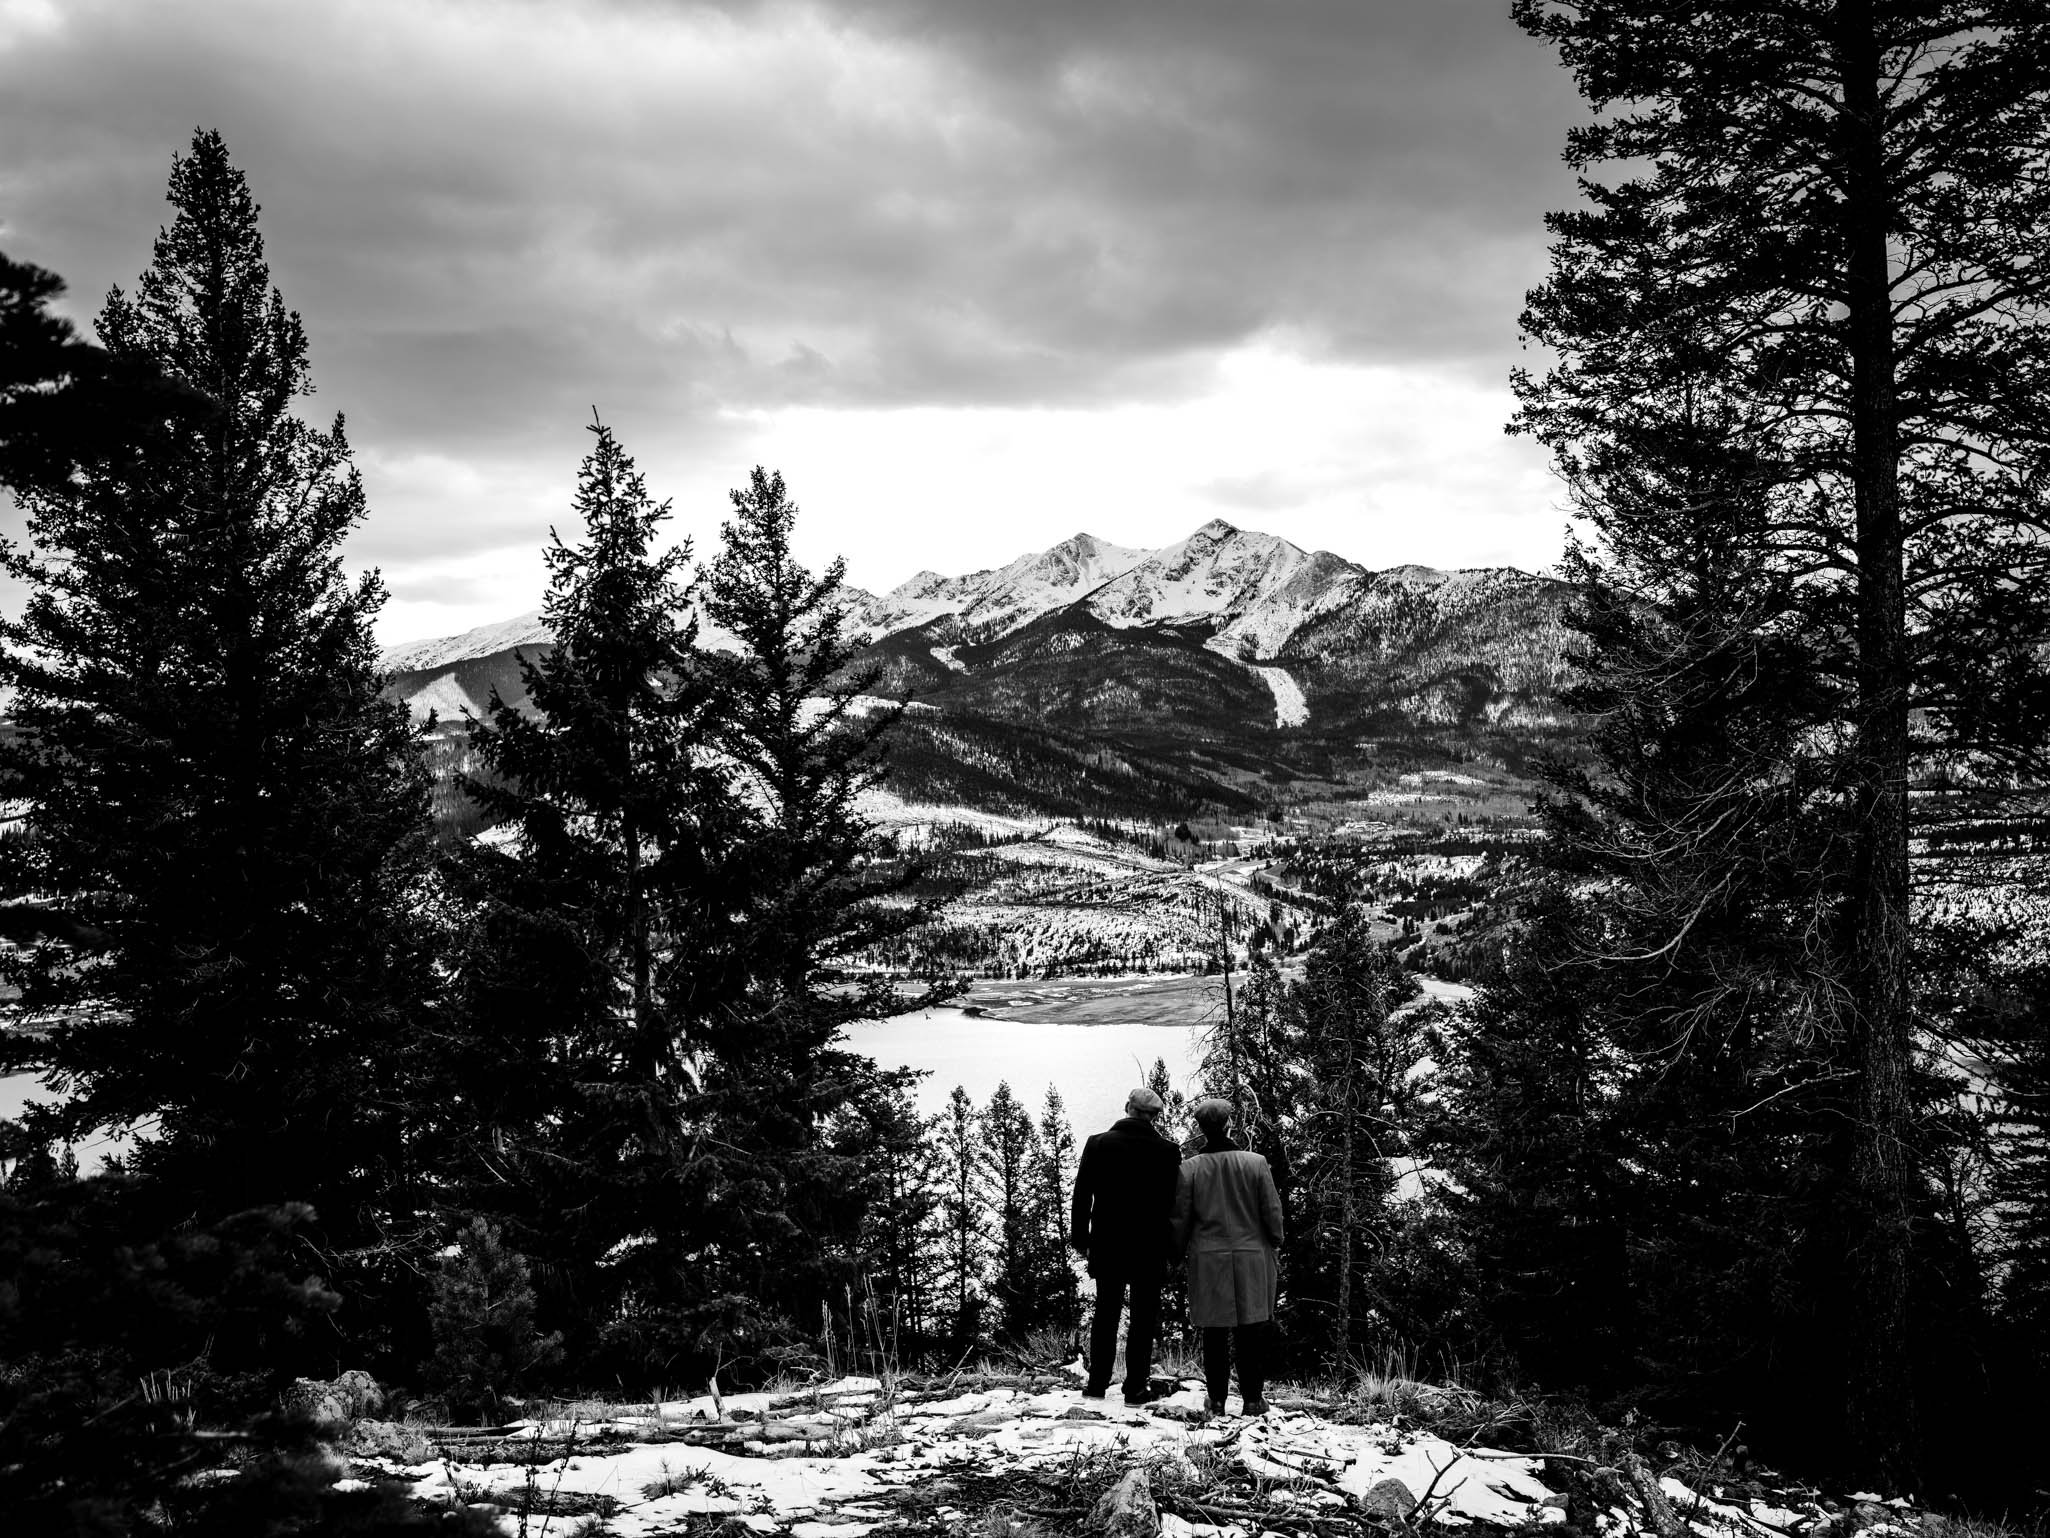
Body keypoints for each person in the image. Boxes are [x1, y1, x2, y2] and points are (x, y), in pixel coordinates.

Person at [1172, 1097, 1284, 1417]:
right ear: (1230, 1124)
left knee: (1214, 1331)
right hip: (1251, 1256)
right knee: (1251, 1330)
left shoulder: (1189, 1168)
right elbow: (1271, 1210)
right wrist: (1275, 1239)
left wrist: (1176, 1252)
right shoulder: (1256, 1162)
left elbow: (1180, 1217)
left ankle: (1217, 1400)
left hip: (1209, 1259)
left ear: (1202, 1129)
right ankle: (1252, 1399)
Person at [1069, 1085, 1182, 1404]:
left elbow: (1082, 1196)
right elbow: (1173, 1206)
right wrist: (1174, 1250)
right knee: (1144, 1319)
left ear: (1127, 1107)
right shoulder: (1168, 1151)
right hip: (1149, 1247)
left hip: (1108, 1244)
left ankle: (1097, 1384)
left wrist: (1082, 1240)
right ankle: (1134, 1388)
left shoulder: (1098, 1144)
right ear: (1154, 1116)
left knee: (1106, 1314)